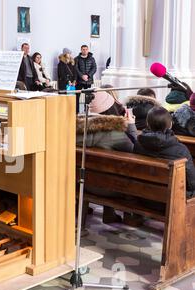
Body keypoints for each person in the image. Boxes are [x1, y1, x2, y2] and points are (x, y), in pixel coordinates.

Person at [78, 91, 137, 224]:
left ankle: (109, 213)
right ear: (111, 109)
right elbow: (136, 152)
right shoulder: (115, 134)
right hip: (113, 188)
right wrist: (131, 127)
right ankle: (130, 218)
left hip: (83, 184)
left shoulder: (76, 129)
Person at [135, 106, 195, 198]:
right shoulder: (181, 150)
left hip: (142, 195)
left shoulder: (138, 144)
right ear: (170, 124)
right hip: (172, 199)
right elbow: (192, 183)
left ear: (147, 123)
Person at [75, 45, 97, 112]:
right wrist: (82, 76)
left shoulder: (92, 59)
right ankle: (76, 111)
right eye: (83, 49)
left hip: (88, 80)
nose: (84, 50)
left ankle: (86, 110)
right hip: (79, 81)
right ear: (81, 50)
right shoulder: (77, 58)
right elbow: (76, 69)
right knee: (77, 96)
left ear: (88, 50)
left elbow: (94, 68)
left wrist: (88, 75)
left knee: (87, 97)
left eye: (86, 49)